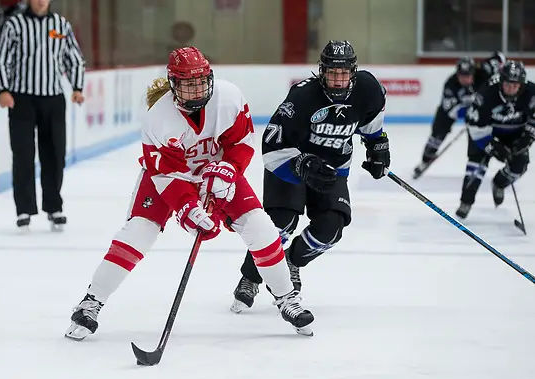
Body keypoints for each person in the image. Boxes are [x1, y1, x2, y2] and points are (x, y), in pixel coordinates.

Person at [64, 46, 315, 341]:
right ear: (173, 84)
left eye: (200, 81)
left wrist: (229, 170)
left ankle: (286, 299)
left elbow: (242, 142)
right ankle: (91, 302)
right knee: (138, 232)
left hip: (219, 171)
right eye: (187, 84)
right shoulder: (159, 119)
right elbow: (168, 175)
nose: (196, 90)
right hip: (169, 178)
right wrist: (188, 209)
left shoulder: (229, 97)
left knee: (260, 227)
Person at [230, 40, 389, 313]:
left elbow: (372, 125)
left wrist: (378, 148)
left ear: (353, 71)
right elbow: (271, 147)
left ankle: (290, 262)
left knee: (331, 229)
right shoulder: (302, 97)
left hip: (333, 168)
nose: (338, 81)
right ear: (321, 71)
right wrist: (301, 163)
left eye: (343, 74)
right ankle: (251, 277)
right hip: (291, 164)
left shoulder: (369, 89)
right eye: (332, 74)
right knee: (280, 225)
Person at [0, 0, 85, 231]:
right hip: (21, 99)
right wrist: (3, 90)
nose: (41, 1)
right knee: (23, 155)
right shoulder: (15, 24)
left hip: (52, 98)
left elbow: (73, 57)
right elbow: (0, 58)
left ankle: (54, 206)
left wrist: (77, 87)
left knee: (54, 153)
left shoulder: (60, 24)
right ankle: (24, 209)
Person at [455, 60, 535, 219]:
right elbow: (475, 127)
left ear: (521, 84)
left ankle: (499, 183)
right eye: (507, 84)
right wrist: (492, 146)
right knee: (475, 167)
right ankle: (466, 201)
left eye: (515, 85)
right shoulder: (486, 93)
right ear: (501, 82)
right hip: (486, 132)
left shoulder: (531, 93)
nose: (511, 89)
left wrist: (527, 137)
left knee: (519, 165)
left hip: (515, 132)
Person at [413, 57, 476, 179]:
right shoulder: (450, 84)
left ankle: (477, 162)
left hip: (473, 111)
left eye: (468, 75)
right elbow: (451, 111)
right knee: (437, 135)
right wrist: (469, 110)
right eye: (462, 75)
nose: (465, 78)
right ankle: (425, 159)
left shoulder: (480, 80)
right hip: (448, 112)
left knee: (477, 135)